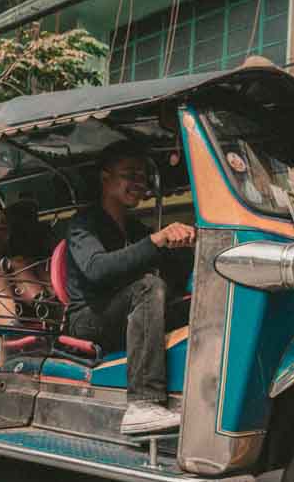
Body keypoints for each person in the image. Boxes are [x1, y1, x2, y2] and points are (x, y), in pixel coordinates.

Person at [65, 141, 196, 434]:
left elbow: (170, 277)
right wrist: (156, 242)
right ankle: (143, 403)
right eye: (130, 175)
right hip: (88, 317)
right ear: (105, 177)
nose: (139, 183)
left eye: (143, 177)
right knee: (148, 287)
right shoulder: (83, 223)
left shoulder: (136, 228)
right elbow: (98, 270)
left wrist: (185, 246)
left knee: (202, 301)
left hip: (128, 313)